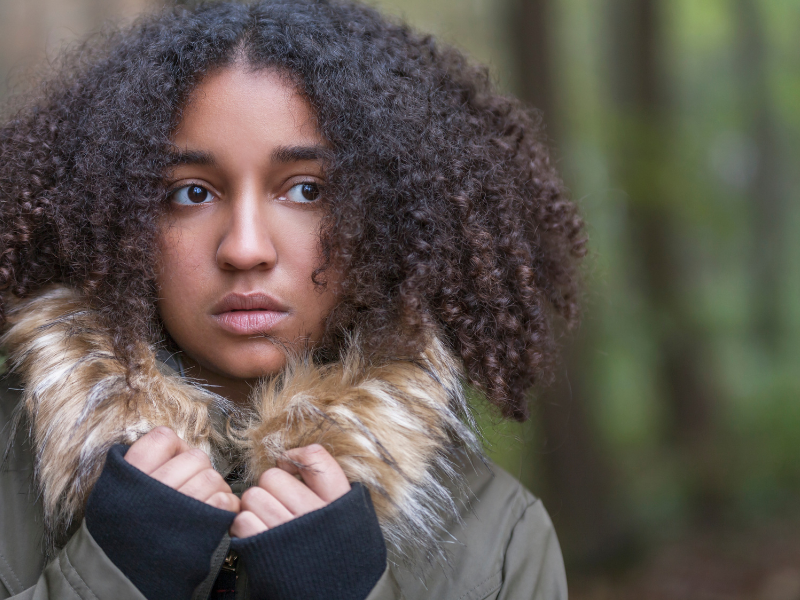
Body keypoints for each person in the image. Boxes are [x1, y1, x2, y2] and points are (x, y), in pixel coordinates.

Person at [0, 1, 585, 599]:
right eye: (191, 193)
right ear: (114, 211)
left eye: (306, 190)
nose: (245, 248)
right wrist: (103, 579)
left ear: (387, 215)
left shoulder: (501, 537)